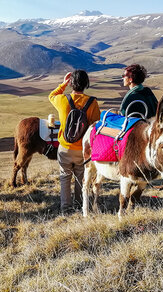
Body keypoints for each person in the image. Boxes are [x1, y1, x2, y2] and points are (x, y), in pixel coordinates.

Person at [49, 70, 101, 214]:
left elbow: (51, 95)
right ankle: (79, 204)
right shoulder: (92, 103)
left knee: (65, 177)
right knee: (81, 176)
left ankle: (65, 208)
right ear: (86, 84)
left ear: (71, 83)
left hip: (64, 147)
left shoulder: (62, 100)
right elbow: (95, 126)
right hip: (82, 149)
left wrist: (63, 84)